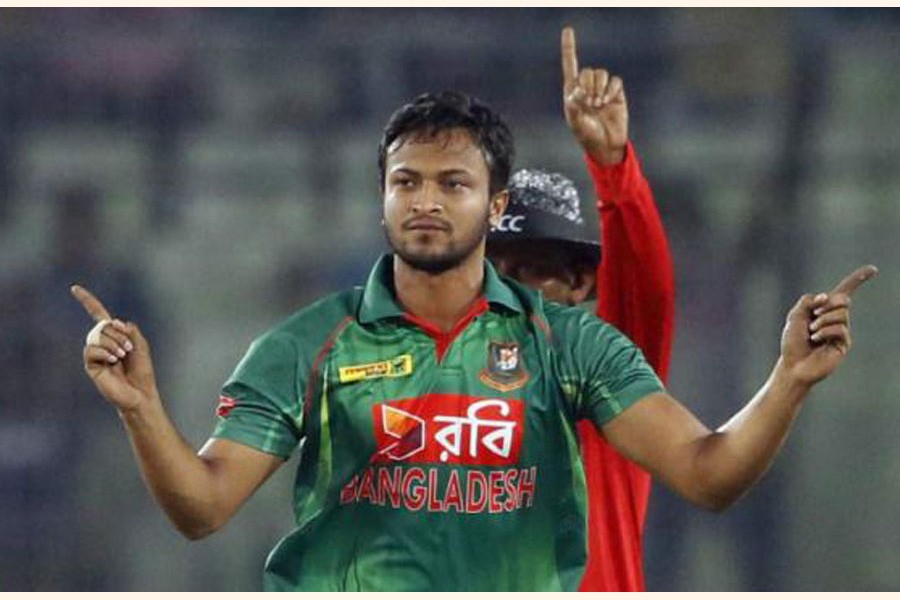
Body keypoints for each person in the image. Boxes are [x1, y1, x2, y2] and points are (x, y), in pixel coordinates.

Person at [72, 83, 876, 593]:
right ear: (382, 198)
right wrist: (142, 409)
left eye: (452, 184)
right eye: (406, 182)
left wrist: (789, 380)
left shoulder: (572, 348)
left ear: (491, 207)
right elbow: (203, 507)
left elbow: (708, 474)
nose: (426, 202)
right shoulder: (307, 343)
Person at [487, 27, 674, 591]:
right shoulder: (429, 387)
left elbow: (646, 290)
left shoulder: (610, 380)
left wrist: (613, 167)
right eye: (495, 272)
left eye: (532, 271)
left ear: (579, 283)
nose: (510, 291)